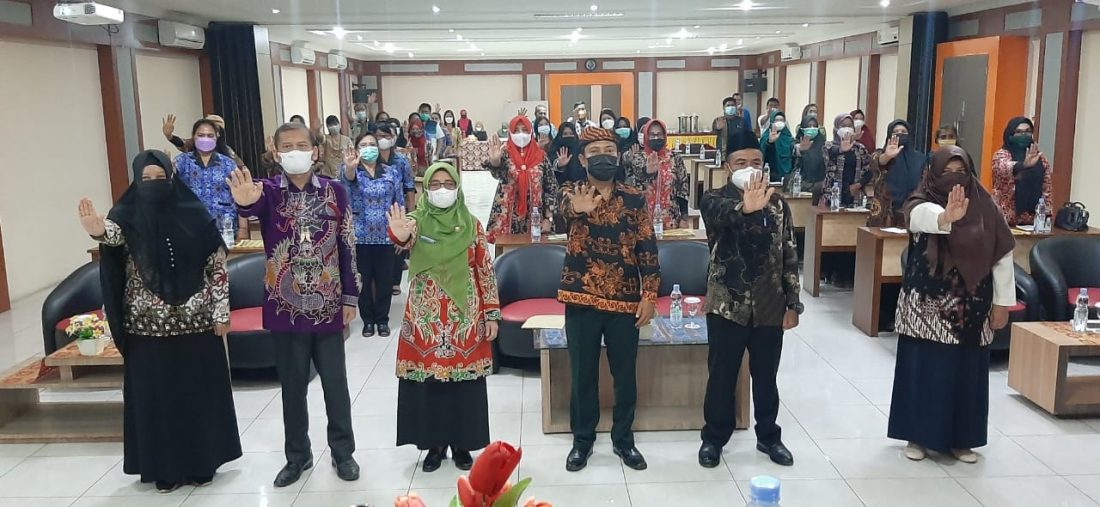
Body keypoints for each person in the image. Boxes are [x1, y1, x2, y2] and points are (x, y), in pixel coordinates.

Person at [80, 150, 241, 493]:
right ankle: (163, 467)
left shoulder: (194, 214)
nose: (154, 185)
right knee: (158, 400)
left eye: (160, 178)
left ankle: (203, 462)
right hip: (145, 329)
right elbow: (112, 235)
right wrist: (97, 230)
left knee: (198, 395)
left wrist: (220, 313)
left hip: (197, 324)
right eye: (146, 179)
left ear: (172, 178)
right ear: (136, 181)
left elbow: (216, 267)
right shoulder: (126, 216)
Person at [226, 122, 361, 487]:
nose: (295, 151)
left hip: (328, 305)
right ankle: (297, 456)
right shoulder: (268, 191)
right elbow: (249, 204)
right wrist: (243, 201)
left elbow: (347, 244)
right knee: (292, 387)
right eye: (287, 146)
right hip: (284, 307)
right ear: (276, 151)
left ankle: (343, 452)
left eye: (302, 145)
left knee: (335, 385)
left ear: (315, 151)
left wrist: (350, 296)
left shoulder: (335, 191)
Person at [889, 145, 1015, 464]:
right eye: (947, 172)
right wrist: (945, 217)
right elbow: (917, 219)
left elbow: (1002, 256)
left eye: (962, 172)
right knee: (923, 371)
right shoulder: (921, 200)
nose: (955, 179)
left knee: (966, 374)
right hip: (926, 306)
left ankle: (962, 440)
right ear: (933, 173)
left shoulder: (986, 207)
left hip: (971, 307)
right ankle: (917, 436)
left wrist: (1002, 303)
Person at [386, 162, 501, 473]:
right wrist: (397, 235)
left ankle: (463, 444)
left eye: (448, 184)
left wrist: (491, 313)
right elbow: (402, 238)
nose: (442, 190)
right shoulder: (417, 221)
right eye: (434, 184)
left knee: (465, 384)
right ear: (425, 189)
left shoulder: (472, 224)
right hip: (426, 319)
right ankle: (434, 445)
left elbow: (485, 270)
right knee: (430, 383)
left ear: (458, 188)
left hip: (466, 318)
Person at [557, 127, 660, 473]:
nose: (604, 156)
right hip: (581, 297)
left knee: (625, 376)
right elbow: (561, 211)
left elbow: (647, 247)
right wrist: (577, 208)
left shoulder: (634, 197)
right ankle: (582, 441)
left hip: (626, 300)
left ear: (618, 156)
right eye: (595, 151)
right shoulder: (570, 191)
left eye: (609, 150)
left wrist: (650, 295)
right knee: (582, 375)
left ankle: (623, 440)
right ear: (583, 159)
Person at [697, 130, 801, 469]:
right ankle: (714, 439)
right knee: (722, 376)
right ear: (728, 167)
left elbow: (789, 253)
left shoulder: (778, 204)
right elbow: (720, 217)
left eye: (755, 162)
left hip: (770, 303)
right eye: (741, 162)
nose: (749, 167)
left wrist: (793, 303)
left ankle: (769, 436)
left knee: (766, 377)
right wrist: (745, 208)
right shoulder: (714, 199)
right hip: (727, 303)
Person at [342, 132, 404, 338]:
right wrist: (350, 168)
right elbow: (346, 184)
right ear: (357, 149)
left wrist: (400, 232)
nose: (369, 147)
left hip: (386, 235)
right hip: (360, 236)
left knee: (385, 280)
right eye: (364, 144)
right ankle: (368, 320)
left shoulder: (391, 172)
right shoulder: (351, 171)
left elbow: (399, 202)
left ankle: (382, 319)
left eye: (372, 144)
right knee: (364, 280)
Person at [483, 115, 559, 243]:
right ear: (510, 133)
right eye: (516, 131)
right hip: (507, 220)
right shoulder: (504, 153)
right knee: (508, 254)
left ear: (531, 132)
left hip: (536, 219)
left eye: (524, 130)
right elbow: (499, 174)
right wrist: (495, 162)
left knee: (536, 254)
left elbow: (551, 188)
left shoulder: (541, 156)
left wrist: (549, 218)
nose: (521, 134)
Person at [173, 118, 246, 241]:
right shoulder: (181, 162)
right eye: (201, 135)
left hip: (224, 229)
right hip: (189, 228)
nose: (205, 139)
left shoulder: (228, 163)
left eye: (210, 135)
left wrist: (243, 229)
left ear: (216, 138)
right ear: (193, 137)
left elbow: (241, 197)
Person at [622, 119, 690, 228]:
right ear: (646, 136)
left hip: (670, 220)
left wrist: (684, 217)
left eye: (659, 134)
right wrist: (647, 172)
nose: (656, 138)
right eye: (652, 135)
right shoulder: (638, 157)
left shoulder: (675, 158)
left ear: (665, 135)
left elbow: (683, 188)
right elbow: (637, 176)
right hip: (643, 221)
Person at [375, 123, 417, 298]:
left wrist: (411, 213)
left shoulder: (400, 161)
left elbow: (409, 187)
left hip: (398, 209)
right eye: (379, 136)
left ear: (393, 138)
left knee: (397, 246)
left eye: (387, 136)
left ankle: (395, 281)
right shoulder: (371, 160)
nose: (383, 139)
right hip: (376, 211)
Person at [867, 120, 929, 227]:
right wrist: (887, 156)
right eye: (895, 132)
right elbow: (877, 162)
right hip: (885, 212)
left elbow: (924, 182)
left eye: (903, 132)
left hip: (911, 211)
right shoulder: (879, 154)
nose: (900, 134)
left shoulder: (920, 158)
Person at [992, 117, 1052, 227]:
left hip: (1033, 221)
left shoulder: (1039, 158)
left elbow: (1046, 189)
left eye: (1027, 131)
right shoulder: (1002, 154)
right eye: (1019, 132)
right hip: (1004, 221)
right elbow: (1003, 168)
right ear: (1010, 134)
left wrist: (1046, 216)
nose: (1023, 135)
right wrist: (1023, 165)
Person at [824, 113, 872, 208]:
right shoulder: (828, 146)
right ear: (836, 128)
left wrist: (858, 185)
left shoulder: (860, 148)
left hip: (854, 196)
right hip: (832, 196)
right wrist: (841, 149)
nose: (847, 128)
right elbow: (828, 156)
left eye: (850, 126)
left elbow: (869, 171)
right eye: (843, 126)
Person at [162, 114, 245, 168]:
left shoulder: (226, 154)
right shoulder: (184, 159)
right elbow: (182, 143)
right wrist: (169, 136)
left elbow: (241, 169)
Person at [794, 114, 827, 197]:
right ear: (802, 128)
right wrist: (801, 151)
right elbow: (792, 164)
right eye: (809, 126)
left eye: (814, 126)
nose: (812, 128)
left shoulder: (823, 145)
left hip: (819, 188)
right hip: (800, 187)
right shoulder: (795, 144)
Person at [759, 110, 794, 183]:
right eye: (776, 120)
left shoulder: (788, 137)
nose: (779, 122)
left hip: (787, 176)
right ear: (772, 122)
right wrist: (770, 142)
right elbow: (762, 153)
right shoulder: (766, 136)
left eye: (782, 120)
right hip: (771, 174)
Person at [318, 115, 354, 179]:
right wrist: (317, 130)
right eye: (330, 125)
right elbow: (320, 138)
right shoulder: (326, 138)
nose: (333, 127)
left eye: (335, 124)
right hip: (328, 175)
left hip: (343, 174)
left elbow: (352, 154)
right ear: (327, 127)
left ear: (339, 124)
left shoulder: (347, 139)